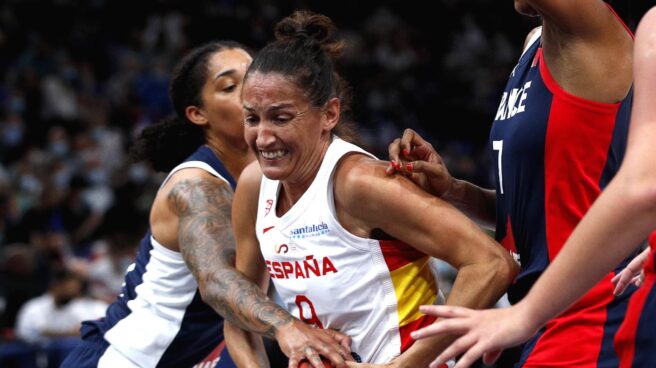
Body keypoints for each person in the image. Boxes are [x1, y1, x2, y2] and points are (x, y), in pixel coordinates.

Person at [225, 10, 517, 368]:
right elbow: (240, 312)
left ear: (329, 115)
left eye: (281, 118)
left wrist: (407, 365)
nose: (263, 136)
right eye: (252, 118)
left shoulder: (359, 183)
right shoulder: (255, 185)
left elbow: (490, 263)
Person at [60, 41, 352, 368]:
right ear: (198, 114)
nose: (250, 90)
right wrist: (289, 327)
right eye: (230, 85)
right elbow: (217, 281)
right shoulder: (196, 185)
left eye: (253, 75)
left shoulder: (274, 178)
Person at [400, 7, 656, 368]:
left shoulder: (594, 34)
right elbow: (539, 205)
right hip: (532, 314)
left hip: (591, 314)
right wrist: (455, 190)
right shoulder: (533, 45)